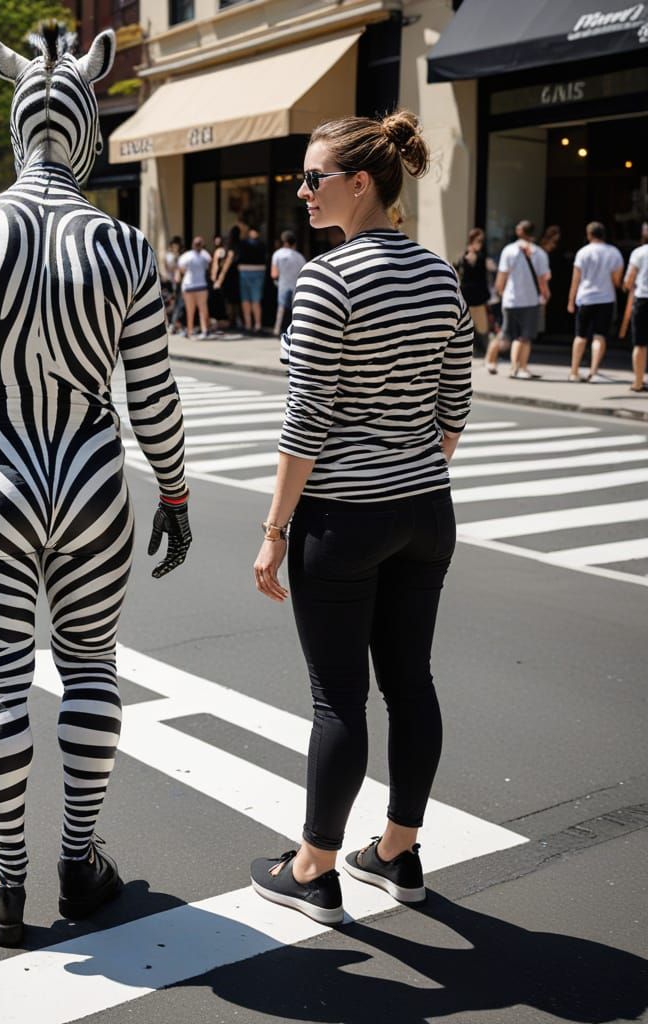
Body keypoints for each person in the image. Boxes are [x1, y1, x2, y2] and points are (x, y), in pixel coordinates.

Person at [0, 24, 191, 949]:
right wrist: (175, 493)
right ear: (86, 127)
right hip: (92, 475)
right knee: (92, 663)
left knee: (0, 670)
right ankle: (81, 862)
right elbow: (152, 394)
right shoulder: (124, 244)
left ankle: (5, 878)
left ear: (18, 125)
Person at [247, 110, 472, 925]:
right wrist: (411, 471)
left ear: (362, 182)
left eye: (315, 178)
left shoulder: (327, 281)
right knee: (411, 683)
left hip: (344, 517)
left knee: (338, 699)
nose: (303, 191)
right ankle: (398, 852)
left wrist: (274, 531)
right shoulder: (441, 275)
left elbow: (306, 421)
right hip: (425, 509)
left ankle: (314, 868)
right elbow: (455, 404)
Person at [491, 220, 549, 379]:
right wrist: (545, 294)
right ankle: (520, 367)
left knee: (507, 334)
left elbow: (501, 276)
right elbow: (543, 279)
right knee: (524, 337)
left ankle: (503, 364)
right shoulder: (539, 253)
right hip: (530, 300)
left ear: (519, 232)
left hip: (510, 299)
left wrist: (500, 292)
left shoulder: (508, 250)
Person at [567, 221, 624, 382]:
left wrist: (571, 300)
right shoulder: (614, 253)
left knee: (580, 335)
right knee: (599, 336)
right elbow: (616, 280)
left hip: (585, 297)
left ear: (589, 235)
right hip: (605, 298)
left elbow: (575, 279)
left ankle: (574, 371)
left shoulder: (583, 252)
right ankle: (594, 372)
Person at [619, 220, 648, 392]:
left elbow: (629, 280)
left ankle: (638, 382)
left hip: (643, 299)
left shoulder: (639, 252)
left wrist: (626, 286)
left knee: (640, 343)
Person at [456, 228, 491, 355]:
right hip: (471, 298)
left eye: (482, 241)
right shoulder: (467, 256)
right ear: (472, 241)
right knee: (478, 327)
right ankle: (483, 352)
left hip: (475, 297)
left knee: (481, 327)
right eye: (478, 241)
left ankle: (484, 351)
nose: (480, 244)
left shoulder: (480, 256)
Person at [271, 230, 306, 338]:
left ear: (284, 242)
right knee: (295, 309)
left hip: (283, 285)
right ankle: (295, 331)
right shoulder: (300, 257)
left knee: (281, 308)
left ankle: (277, 330)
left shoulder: (277, 254)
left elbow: (274, 274)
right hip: (296, 286)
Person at [177, 235, 212, 338]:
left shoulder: (187, 255)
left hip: (191, 285)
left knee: (192, 310)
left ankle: (192, 331)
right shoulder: (205, 255)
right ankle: (201, 331)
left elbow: (181, 268)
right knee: (201, 310)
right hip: (199, 285)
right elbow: (209, 266)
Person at [238, 226, 267, 334]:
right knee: (252, 300)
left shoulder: (244, 243)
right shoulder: (261, 244)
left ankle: (251, 325)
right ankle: (254, 324)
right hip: (254, 271)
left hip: (248, 271)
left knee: (250, 300)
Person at [214, 226, 243, 330]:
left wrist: (219, 279)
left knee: (229, 300)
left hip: (229, 276)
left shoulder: (229, 247)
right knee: (236, 299)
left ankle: (231, 320)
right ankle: (236, 319)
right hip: (237, 275)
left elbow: (225, 265)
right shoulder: (240, 245)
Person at [208, 234, 230, 328]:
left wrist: (214, 277)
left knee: (218, 300)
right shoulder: (223, 251)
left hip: (218, 279)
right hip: (221, 279)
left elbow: (216, 265)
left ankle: (221, 319)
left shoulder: (219, 251)